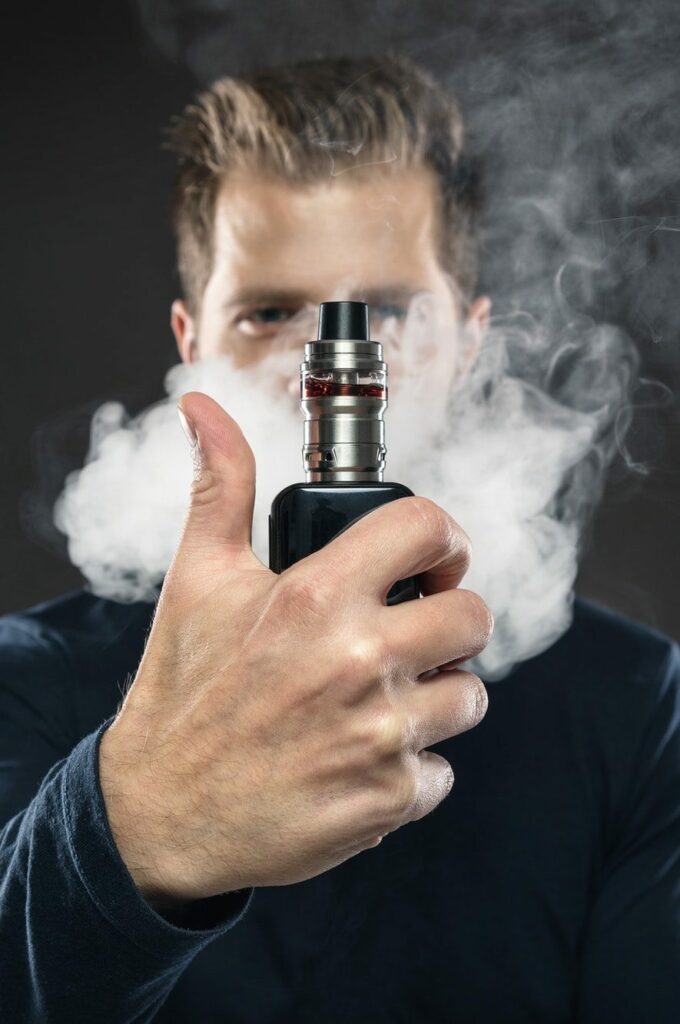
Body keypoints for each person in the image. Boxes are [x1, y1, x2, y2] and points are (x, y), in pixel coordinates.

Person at [1, 54, 679, 1024]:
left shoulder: (635, 702)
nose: (324, 363)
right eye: (270, 311)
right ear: (191, 345)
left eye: (386, 313)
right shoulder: (27, 676)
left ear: (470, 342)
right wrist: (138, 826)